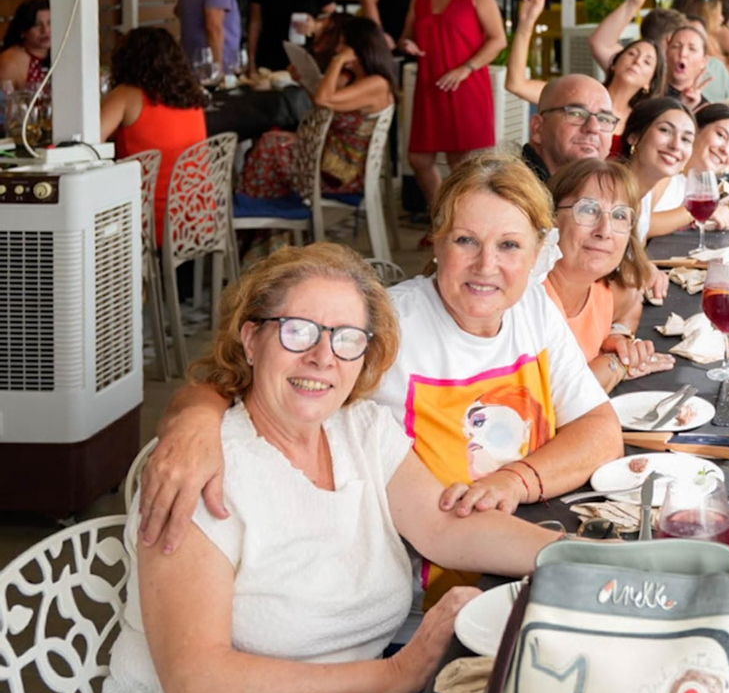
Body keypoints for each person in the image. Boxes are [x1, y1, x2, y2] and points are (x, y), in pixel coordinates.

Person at [62, 244, 570, 693]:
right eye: (298, 331)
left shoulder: (361, 430)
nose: (324, 356)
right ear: (251, 339)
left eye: (347, 337)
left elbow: (447, 527)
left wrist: (588, 560)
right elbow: (196, 689)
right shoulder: (203, 471)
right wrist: (398, 675)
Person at [139, 154, 623, 584]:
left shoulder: (533, 309)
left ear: (538, 253)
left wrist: (517, 480)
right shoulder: (386, 325)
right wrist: (195, 420)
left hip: (507, 552)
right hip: (419, 586)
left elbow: (601, 431)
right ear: (435, 243)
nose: (486, 266)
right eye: (465, 240)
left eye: (510, 246)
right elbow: (247, 375)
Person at [399, 0, 506, 220]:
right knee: (419, 158)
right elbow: (405, 36)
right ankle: (443, 219)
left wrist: (466, 68)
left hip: (465, 83)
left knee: (460, 161)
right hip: (430, 85)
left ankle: (460, 226)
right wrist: (407, 45)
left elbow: (498, 40)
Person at [544, 159, 673, 391]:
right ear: (552, 218)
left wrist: (618, 335)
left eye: (620, 216)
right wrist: (618, 363)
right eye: (588, 210)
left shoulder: (601, 290)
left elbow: (633, 299)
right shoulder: (532, 299)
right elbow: (562, 399)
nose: (604, 230)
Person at [238, 17, 397, 202]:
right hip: (332, 160)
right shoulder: (358, 80)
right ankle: (267, 220)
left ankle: (259, 220)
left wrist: (337, 61)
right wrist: (303, 81)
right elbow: (325, 105)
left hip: (342, 174)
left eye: (343, 45)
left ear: (359, 48)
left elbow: (323, 100)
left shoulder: (376, 83)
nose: (338, 49)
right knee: (271, 141)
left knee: (267, 148)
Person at [100, 27, 208, 239]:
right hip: (197, 217)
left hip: (149, 221)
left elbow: (89, 145)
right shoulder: (193, 97)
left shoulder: (125, 95)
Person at [645, 102, 729, 239]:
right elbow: (639, 225)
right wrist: (698, 210)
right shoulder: (666, 167)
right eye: (721, 135)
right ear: (696, 129)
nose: (725, 149)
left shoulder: (695, 182)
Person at [618, 96, 695, 242]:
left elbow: (632, 260)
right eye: (665, 130)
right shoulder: (611, 191)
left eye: (686, 139)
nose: (676, 145)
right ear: (634, 136)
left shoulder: (645, 197)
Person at [519, 73, 615, 182]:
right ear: (537, 128)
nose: (594, 128)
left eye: (604, 119)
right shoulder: (508, 189)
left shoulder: (606, 192)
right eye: (576, 114)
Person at [665, 23, 729, 111]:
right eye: (676, 46)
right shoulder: (651, 92)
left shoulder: (704, 107)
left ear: (703, 62)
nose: (682, 53)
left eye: (692, 49)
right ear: (666, 52)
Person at [0, 0, 50, 91]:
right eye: (37, 25)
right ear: (23, 31)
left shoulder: (65, 53)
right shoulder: (10, 62)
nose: (45, 30)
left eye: (50, 23)